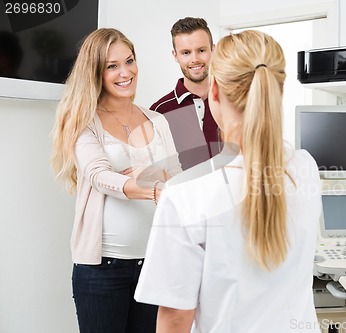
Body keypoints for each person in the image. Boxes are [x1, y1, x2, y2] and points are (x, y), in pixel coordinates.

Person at [135, 30, 323, 333]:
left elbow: (174, 319)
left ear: (215, 92)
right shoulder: (305, 168)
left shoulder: (184, 197)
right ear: (279, 91)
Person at [50, 28, 182, 333]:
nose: (125, 72)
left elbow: (177, 177)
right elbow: (98, 175)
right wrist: (153, 188)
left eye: (129, 61)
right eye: (112, 66)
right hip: (102, 269)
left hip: (155, 263)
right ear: (96, 72)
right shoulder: (84, 121)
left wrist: (149, 183)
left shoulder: (158, 120)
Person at [150, 17, 221, 170]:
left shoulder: (233, 100)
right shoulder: (159, 111)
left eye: (201, 50)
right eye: (186, 53)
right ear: (175, 56)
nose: (195, 59)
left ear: (213, 50)